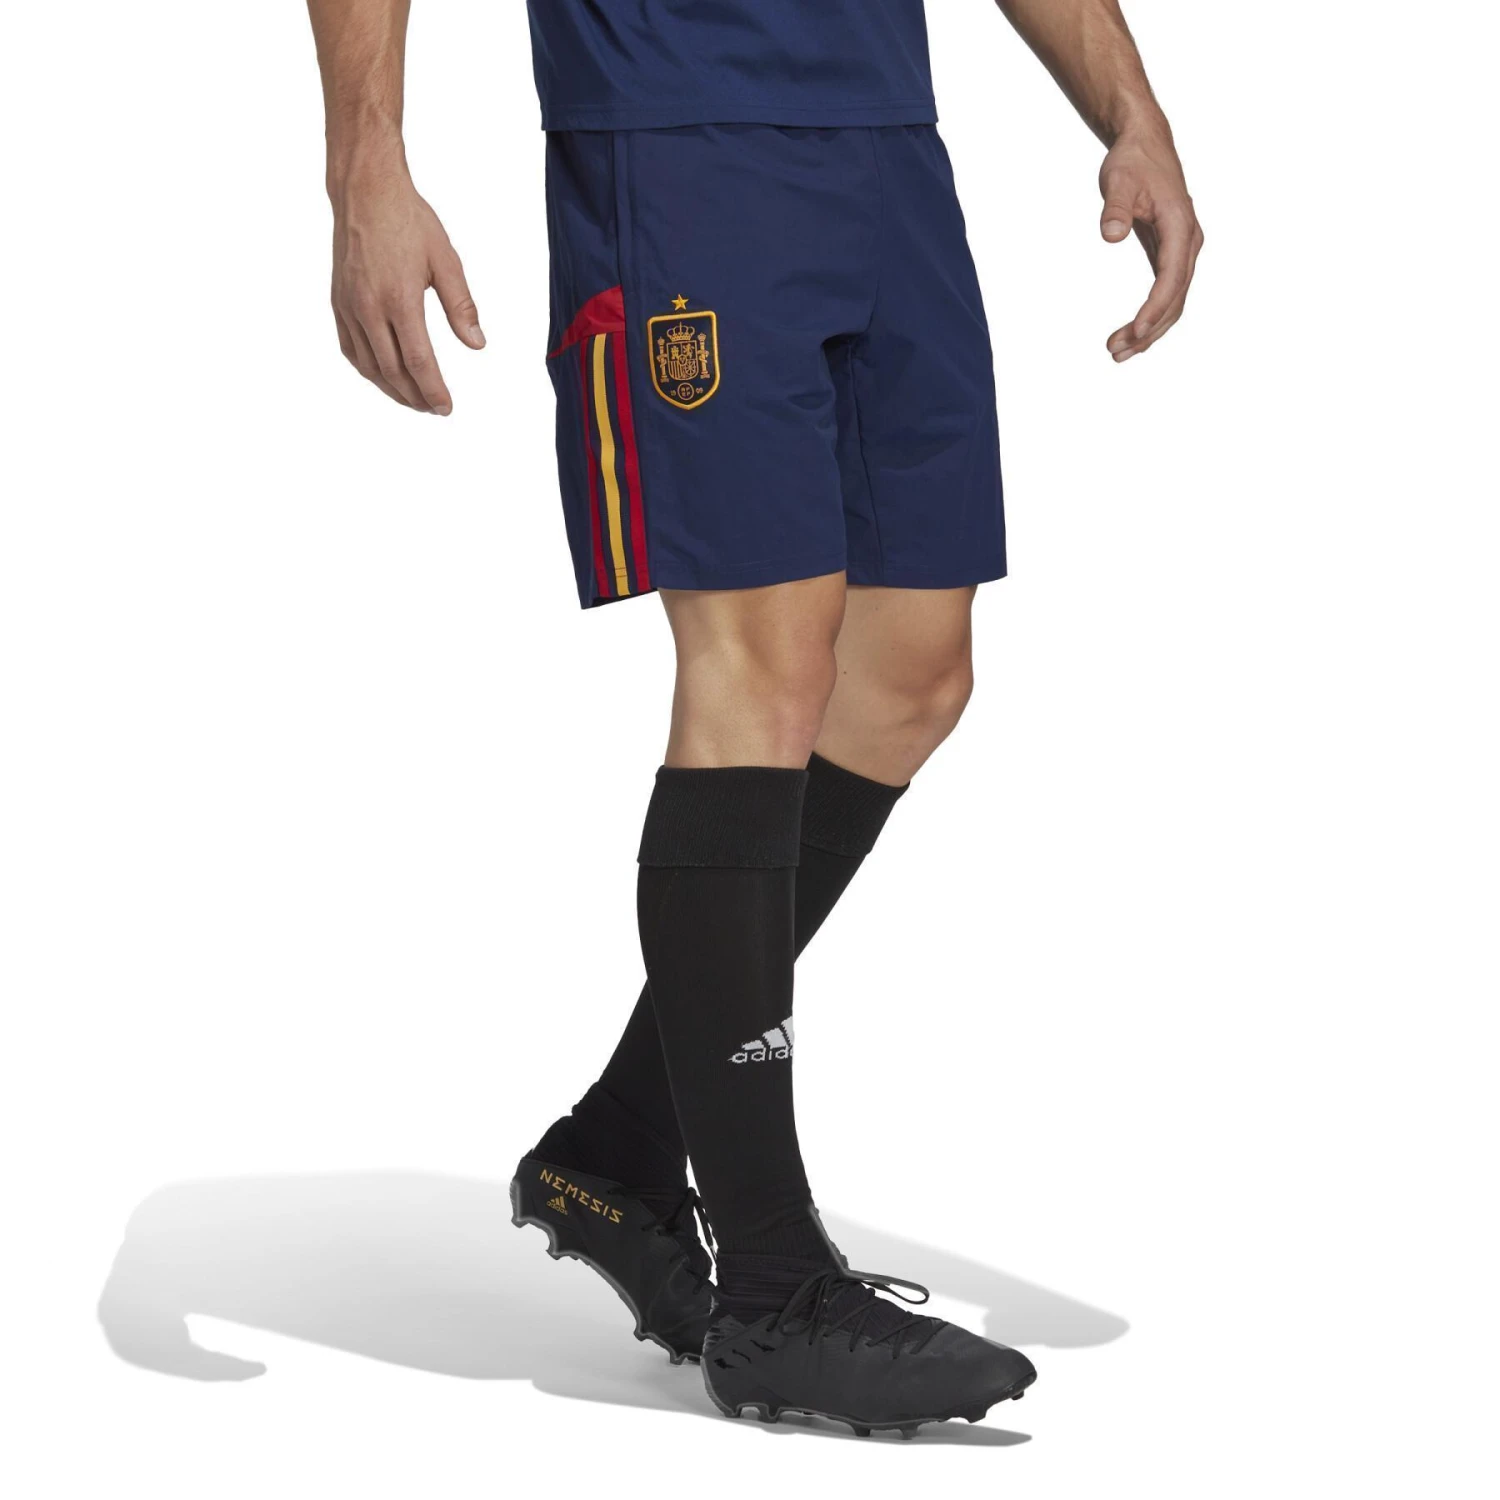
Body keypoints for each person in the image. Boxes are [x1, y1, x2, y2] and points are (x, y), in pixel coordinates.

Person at [304, 0, 1201, 1437]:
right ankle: (775, 1294)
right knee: (761, 665)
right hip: (676, 138)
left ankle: (619, 1152)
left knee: (910, 679)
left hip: (884, 139)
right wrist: (367, 163)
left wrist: (1130, 113)